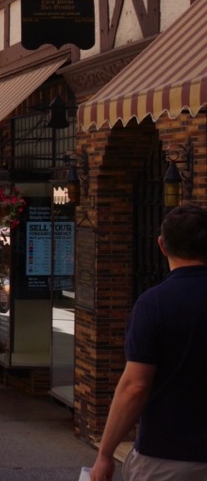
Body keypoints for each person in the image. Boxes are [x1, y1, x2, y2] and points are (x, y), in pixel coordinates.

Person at [89, 204, 207, 481]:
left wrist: (105, 453)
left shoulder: (154, 304)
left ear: (162, 245)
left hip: (168, 454)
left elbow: (135, 386)